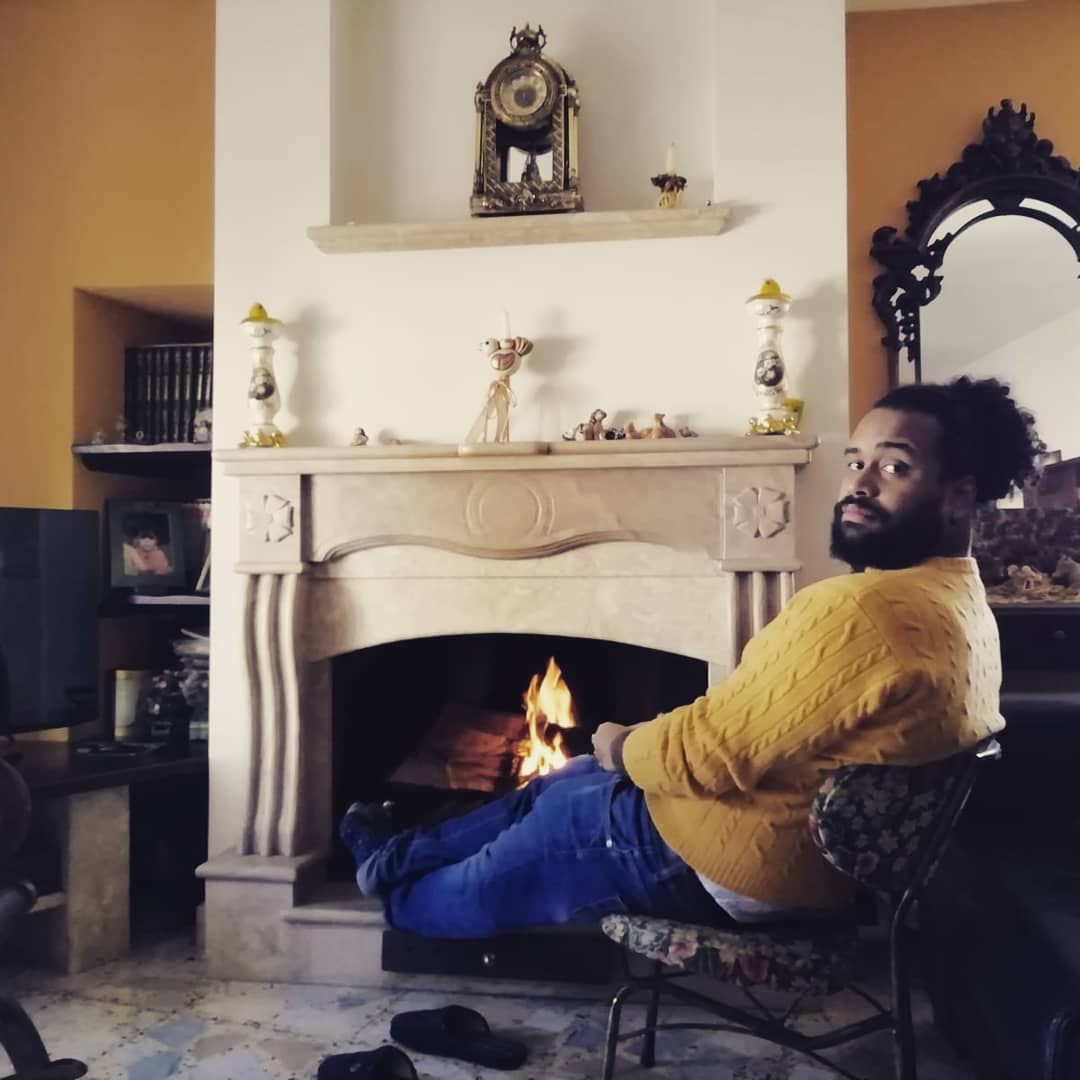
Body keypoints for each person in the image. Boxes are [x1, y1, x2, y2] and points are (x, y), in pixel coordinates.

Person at [340, 376, 1042, 939]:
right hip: (779, 849)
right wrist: (629, 751)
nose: (859, 483)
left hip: (739, 864)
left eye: (894, 466)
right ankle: (394, 855)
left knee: (564, 812)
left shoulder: (864, 611)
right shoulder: (957, 602)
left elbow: (711, 754)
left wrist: (623, 744)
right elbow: (743, 732)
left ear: (958, 497)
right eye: (856, 461)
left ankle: (404, 899)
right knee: (569, 780)